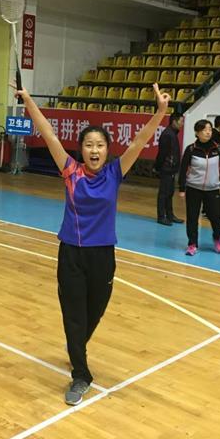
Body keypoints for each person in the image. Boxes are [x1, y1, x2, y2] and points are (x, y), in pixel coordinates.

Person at [16, 81, 169, 406]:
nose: (94, 150)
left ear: (107, 150)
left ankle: (76, 347)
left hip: (103, 256)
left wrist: (160, 112)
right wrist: (28, 100)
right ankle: (81, 374)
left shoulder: (115, 173)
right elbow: (49, 134)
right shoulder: (70, 171)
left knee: (94, 313)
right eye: (88, 145)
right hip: (71, 254)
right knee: (74, 315)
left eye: (100, 145)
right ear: (81, 149)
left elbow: (140, 140)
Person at [179, 120, 220, 257]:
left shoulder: (218, 149)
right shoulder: (191, 149)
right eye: (205, 130)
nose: (208, 132)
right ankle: (192, 244)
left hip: (212, 189)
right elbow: (183, 169)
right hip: (193, 188)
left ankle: (217, 239)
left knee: (215, 217)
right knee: (192, 217)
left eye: (210, 129)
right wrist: (182, 188)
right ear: (197, 132)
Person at [155, 113, 184, 226]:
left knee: (170, 193)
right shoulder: (167, 134)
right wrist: (158, 167)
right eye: (181, 121)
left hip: (171, 169)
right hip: (166, 168)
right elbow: (162, 153)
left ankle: (170, 215)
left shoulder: (172, 134)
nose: (182, 124)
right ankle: (161, 216)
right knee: (164, 193)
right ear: (174, 121)